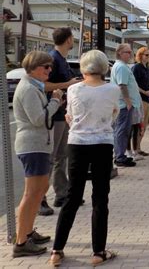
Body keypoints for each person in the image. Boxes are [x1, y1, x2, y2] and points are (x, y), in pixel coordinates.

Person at [48, 50, 120, 267]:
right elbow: (114, 113)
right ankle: (98, 251)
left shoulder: (73, 89)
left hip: (77, 143)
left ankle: (57, 250)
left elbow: (70, 115)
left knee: (72, 196)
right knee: (100, 197)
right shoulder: (112, 89)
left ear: (83, 67)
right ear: (103, 67)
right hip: (102, 143)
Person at [12, 51, 63, 257]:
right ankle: (21, 241)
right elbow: (38, 118)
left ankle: (27, 232)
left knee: (40, 189)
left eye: (50, 67)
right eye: (45, 67)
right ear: (33, 68)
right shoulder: (28, 89)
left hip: (39, 145)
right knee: (32, 193)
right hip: (32, 145)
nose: (49, 71)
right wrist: (56, 101)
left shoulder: (34, 87)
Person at [42, 27, 82, 215]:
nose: (73, 40)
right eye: (72, 38)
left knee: (61, 156)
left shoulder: (62, 59)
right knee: (51, 157)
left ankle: (61, 193)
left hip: (64, 113)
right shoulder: (53, 59)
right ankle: (41, 198)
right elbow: (45, 85)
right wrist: (68, 84)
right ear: (67, 40)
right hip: (55, 114)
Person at [110, 44, 142, 167]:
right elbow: (122, 85)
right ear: (119, 53)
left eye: (130, 52)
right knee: (122, 131)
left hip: (125, 104)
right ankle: (119, 157)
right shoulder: (121, 67)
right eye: (127, 52)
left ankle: (121, 154)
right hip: (124, 105)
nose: (130, 54)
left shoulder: (122, 66)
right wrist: (128, 101)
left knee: (123, 130)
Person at [131, 47, 149, 158]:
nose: (148, 57)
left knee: (144, 124)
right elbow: (133, 85)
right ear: (140, 55)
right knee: (140, 124)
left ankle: (138, 147)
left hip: (146, 97)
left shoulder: (146, 68)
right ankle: (136, 148)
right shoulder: (137, 68)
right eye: (146, 55)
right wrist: (145, 92)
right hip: (140, 98)